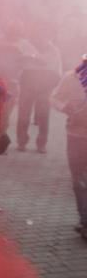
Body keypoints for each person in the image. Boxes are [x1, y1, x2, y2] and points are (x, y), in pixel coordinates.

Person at [51, 62, 87, 240]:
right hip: (76, 136)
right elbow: (55, 97)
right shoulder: (71, 77)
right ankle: (84, 220)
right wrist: (65, 107)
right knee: (79, 181)